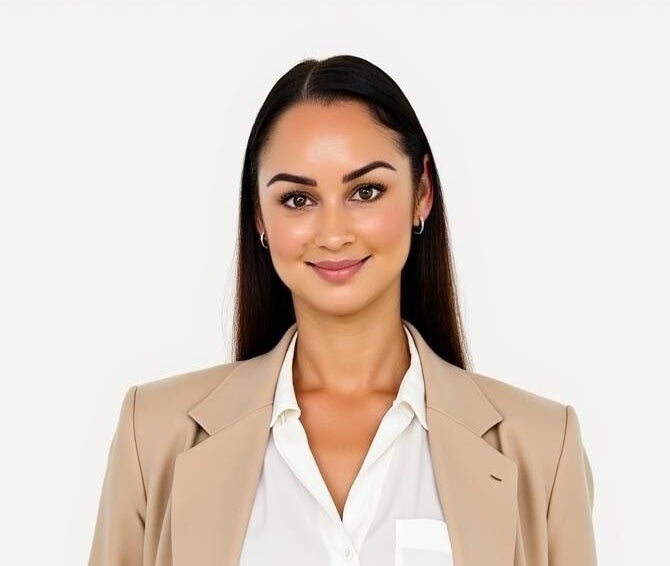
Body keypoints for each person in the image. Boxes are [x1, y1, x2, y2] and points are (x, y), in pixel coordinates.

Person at [88, 54, 597, 566]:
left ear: (421, 193)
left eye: (366, 191)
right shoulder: (152, 436)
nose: (333, 234)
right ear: (258, 216)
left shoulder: (542, 448)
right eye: (297, 199)